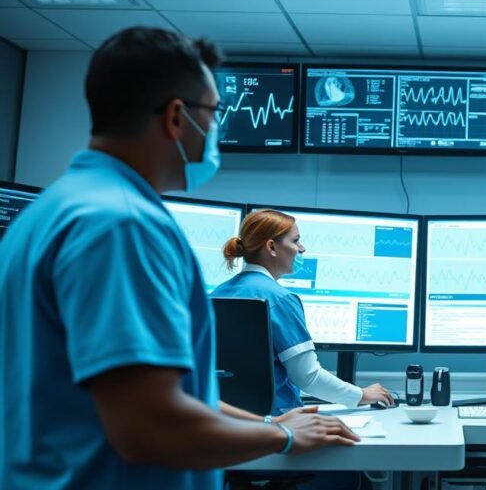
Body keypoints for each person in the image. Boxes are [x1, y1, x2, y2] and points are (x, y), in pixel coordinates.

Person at [0, 27, 358, 490]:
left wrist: (270, 424)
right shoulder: (122, 226)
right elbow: (149, 426)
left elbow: (174, 394)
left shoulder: (50, 211)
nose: (215, 130)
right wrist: (284, 438)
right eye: (214, 113)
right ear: (175, 117)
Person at [212, 209, 395, 414]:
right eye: (296, 240)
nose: (302, 248)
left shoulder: (216, 294)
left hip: (226, 421)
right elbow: (307, 377)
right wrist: (361, 395)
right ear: (271, 247)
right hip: (279, 423)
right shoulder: (280, 299)